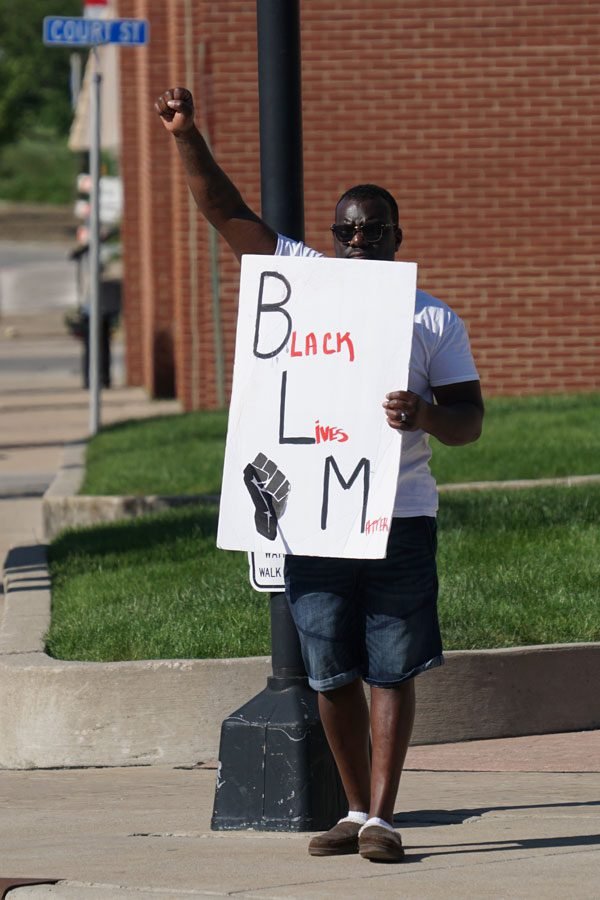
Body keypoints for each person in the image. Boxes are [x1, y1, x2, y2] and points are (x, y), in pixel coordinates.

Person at [156, 87, 484, 862]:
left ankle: (383, 820)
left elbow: (469, 421)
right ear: (331, 238)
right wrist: (185, 136)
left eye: (371, 230)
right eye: (345, 230)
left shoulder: (432, 319)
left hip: (399, 512)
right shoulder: (304, 280)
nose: (356, 240)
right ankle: (353, 806)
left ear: (397, 236)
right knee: (328, 665)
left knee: (391, 663)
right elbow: (227, 213)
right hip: (315, 515)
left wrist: (424, 415)